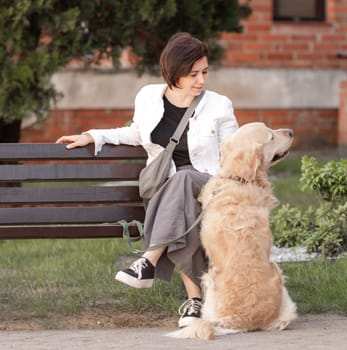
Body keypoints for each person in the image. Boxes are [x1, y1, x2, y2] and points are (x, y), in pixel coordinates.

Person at [56, 32, 239, 328]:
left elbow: (233, 154)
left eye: (205, 72)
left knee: (184, 180)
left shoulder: (219, 105)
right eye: (193, 74)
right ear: (173, 73)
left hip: (210, 186)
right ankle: (194, 304)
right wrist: (94, 135)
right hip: (166, 190)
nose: (201, 80)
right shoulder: (148, 97)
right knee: (180, 196)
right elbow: (136, 134)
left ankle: (148, 261)